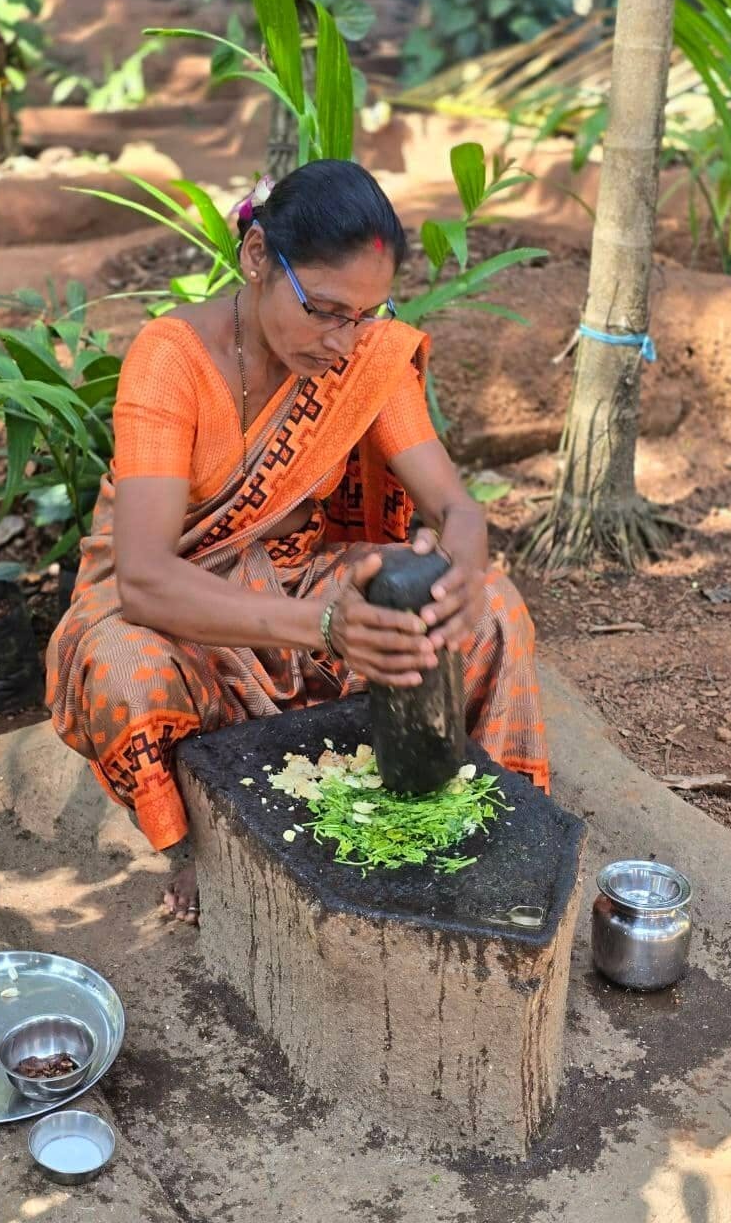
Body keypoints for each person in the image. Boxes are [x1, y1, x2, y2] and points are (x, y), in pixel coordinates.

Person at [46, 159, 549, 926]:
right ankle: (201, 854)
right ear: (256, 260)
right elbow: (144, 580)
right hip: (186, 609)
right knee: (124, 669)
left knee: (497, 612)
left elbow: (457, 508)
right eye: (325, 311)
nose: (345, 342)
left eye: (365, 316)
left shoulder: (366, 358)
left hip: (299, 584)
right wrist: (326, 628)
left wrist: (463, 575)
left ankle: (487, 821)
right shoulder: (171, 360)